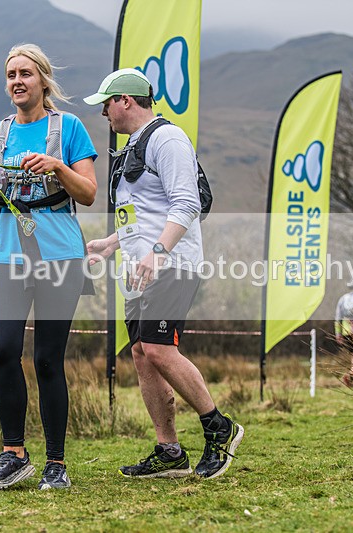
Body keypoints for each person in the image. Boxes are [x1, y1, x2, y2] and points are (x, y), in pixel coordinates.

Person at [83, 69, 244, 480]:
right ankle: (169, 450)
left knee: (157, 349)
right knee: (141, 354)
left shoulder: (168, 139)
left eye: (107, 102)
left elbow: (186, 204)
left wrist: (157, 253)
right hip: (139, 270)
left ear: (125, 100)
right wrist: (110, 243)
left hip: (171, 264)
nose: (103, 112)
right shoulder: (134, 145)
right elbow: (143, 216)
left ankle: (219, 428)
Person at [0, 44, 97, 490]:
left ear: (43, 80)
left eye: (25, 73)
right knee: (2, 350)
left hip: (60, 253)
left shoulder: (69, 127)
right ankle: (13, 453)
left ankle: (56, 464)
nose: (17, 81)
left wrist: (57, 166)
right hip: (7, 255)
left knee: (46, 360)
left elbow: (89, 194)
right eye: (10, 75)